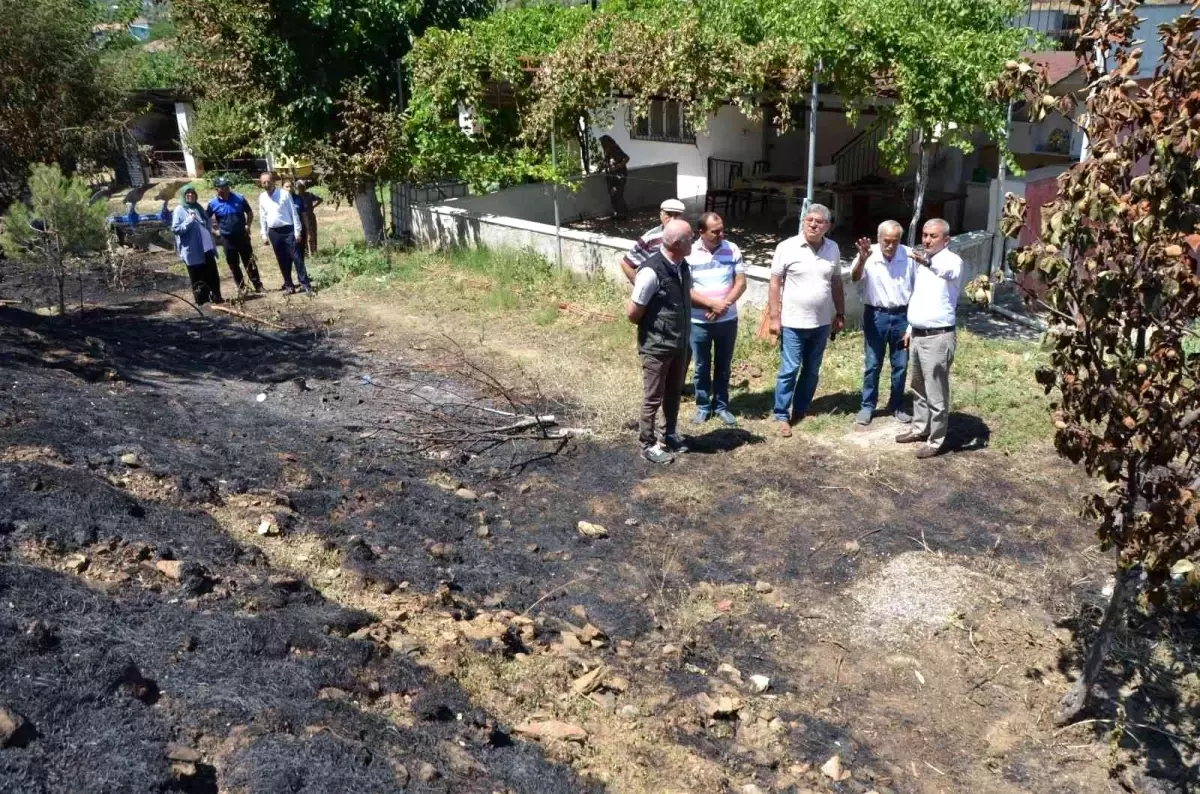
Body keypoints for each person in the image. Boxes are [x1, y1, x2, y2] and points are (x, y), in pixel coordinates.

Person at [768, 203, 845, 437]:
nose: (813, 224)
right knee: (789, 369)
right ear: (803, 221)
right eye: (809, 219)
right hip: (792, 322)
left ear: (827, 226)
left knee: (812, 369)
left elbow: (836, 282)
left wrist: (840, 314)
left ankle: (800, 408)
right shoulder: (787, 247)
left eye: (819, 221)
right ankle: (781, 414)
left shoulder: (832, 248)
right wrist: (774, 317)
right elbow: (774, 282)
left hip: (821, 323)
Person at [627, 218, 695, 464]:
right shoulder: (650, 272)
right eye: (691, 238)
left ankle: (669, 435)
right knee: (653, 397)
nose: (694, 241)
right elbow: (633, 313)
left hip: (680, 344)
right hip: (656, 347)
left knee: (674, 392)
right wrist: (658, 330)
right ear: (678, 244)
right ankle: (647, 444)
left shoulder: (683, 265)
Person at [896, 218, 962, 458]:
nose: (927, 240)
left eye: (933, 236)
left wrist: (926, 261)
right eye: (924, 235)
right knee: (918, 386)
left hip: (938, 337)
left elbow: (945, 271)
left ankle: (936, 440)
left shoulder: (952, 261)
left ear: (946, 239)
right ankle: (920, 428)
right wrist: (911, 328)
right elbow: (920, 296)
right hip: (918, 335)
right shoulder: (921, 263)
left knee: (936, 390)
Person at [850, 219, 915, 426]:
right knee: (872, 364)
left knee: (901, 365)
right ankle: (867, 406)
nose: (890, 245)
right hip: (876, 316)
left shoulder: (909, 255)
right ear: (879, 239)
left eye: (895, 241)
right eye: (886, 240)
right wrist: (861, 259)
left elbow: (918, 289)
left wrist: (912, 324)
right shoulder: (868, 254)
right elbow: (854, 277)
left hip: (903, 317)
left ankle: (896, 405)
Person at [688, 212, 746, 426]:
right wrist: (711, 304)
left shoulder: (732, 248)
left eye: (722, 229)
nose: (721, 234)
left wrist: (723, 306)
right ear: (701, 232)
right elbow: (686, 289)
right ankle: (703, 406)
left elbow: (740, 283)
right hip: (698, 322)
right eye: (715, 231)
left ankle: (721, 406)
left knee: (723, 365)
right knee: (702, 365)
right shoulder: (689, 253)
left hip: (727, 320)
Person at [206, 177, 264, 294]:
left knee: (249, 261)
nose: (225, 189)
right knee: (233, 264)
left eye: (227, 186)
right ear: (217, 189)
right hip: (227, 239)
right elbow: (206, 218)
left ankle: (258, 285)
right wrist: (213, 230)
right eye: (222, 187)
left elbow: (249, 212)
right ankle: (242, 287)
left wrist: (248, 225)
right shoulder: (213, 204)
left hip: (242, 236)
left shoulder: (239, 198)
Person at [259, 172, 311, 295]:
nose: (266, 184)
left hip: (288, 230)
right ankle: (289, 285)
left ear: (273, 181)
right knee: (282, 260)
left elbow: (294, 213)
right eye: (263, 182)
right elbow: (263, 216)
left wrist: (297, 232)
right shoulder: (262, 197)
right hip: (273, 232)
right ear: (261, 184)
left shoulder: (284, 194)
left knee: (297, 257)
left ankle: (305, 284)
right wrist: (264, 234)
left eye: (268, 181)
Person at [171, 185, 224, 305]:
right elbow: (176, 229)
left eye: (192, 193)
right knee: (197, 277)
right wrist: (189, 220)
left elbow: (207, 224)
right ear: (184, 196)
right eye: (187, 194)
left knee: (212, 275)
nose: (190, 195)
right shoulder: (180, 210)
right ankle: (202, 301)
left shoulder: (198, 208)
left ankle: (216, 297)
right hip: (193, 251)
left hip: (207, 248)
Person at [620, 198, 686, 283]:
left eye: (677, 215)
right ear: (661, 215)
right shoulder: (651, 237)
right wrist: (641, 286)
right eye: (668, 214)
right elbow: (625, 263)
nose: (672, 219)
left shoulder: (688, 235)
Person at [598, 134, 631, 219]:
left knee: (617, 193)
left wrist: (618, 166)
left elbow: (627, 158)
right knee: (612, 194)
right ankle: (617, 213)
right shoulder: (607, 151)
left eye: (603, 143)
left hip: (620, 176)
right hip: (611, 176)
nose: (602, 145)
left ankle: (623, 213)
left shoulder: (615, 149)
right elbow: (606, 162)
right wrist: (601, 166)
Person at [294, 179, 323, 255]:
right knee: (303, 234)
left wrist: (313, 206)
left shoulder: (309, 195)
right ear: (297, 188)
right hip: (300, 218)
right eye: (300, 187)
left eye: (303, 187)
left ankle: (314, 251)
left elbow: (320, 200)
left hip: (310, 217)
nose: (302, 188)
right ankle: (305, 252)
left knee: (312, 234)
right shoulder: (296, 197)